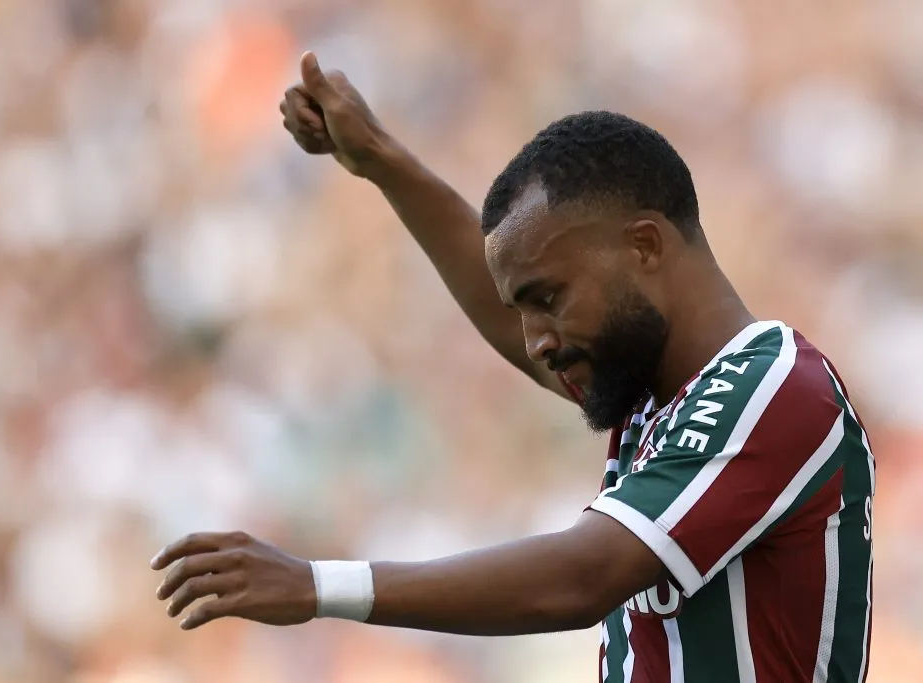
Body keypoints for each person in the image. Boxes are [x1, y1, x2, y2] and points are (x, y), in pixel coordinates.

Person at [150, 52, 875, 682]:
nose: (534, 342)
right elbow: (509, 314)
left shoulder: (771, 387)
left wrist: (318, 586)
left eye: (548, 299)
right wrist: (379, 159)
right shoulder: (657, 395)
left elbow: (581, 579)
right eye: (525, 309)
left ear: (645, 247)